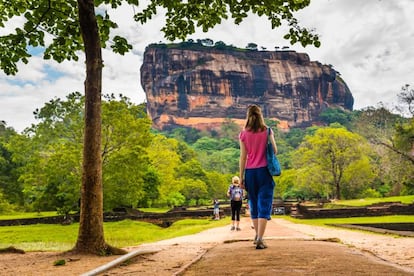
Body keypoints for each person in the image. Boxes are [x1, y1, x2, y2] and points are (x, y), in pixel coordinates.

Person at [239, 104, 277, 249]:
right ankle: (260, 238)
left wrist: (241, 177)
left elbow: (242, 157)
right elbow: (274, 150)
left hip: (250, 172)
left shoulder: (243, 134)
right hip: (264, 171)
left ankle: (256, 235)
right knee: (265, 203)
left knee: (253, 203)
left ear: (248, 116)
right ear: (260, 115)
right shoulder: (267, 131)